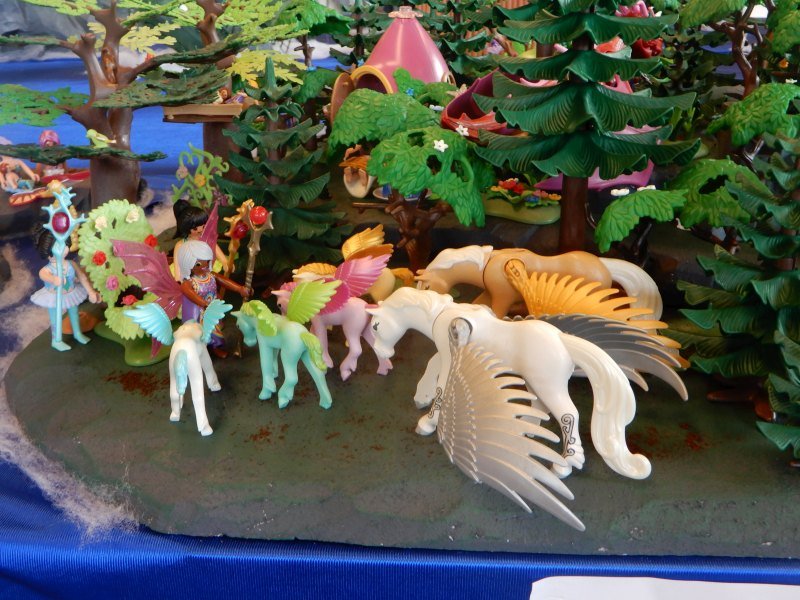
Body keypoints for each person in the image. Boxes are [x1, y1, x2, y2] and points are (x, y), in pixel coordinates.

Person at [30, 226, 101, 351]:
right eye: (58, 246)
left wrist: (91, 292)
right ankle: (56, 340)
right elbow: (43, 275)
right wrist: (54, 279)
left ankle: (77, 333)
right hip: (54, 296)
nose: (63, 248)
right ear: (47, 249)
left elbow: (82, 277)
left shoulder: (71, 264)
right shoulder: (47, 269)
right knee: (55, 318)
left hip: (71, 292)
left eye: (64, 244)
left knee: (74, 312)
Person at [175, 240, 250, 358]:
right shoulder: (189, 283)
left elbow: (224, 281)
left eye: (207, 261)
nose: (204, 265)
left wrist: (239, 289)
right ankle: (206, 348)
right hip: (200, 314)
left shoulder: (211, 275)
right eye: (198, 264)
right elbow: (190, 294)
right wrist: (204, 304)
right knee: (207, 332)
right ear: (188, 264)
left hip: (213, 310)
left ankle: (215, 347)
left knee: (218, 329)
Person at [172, 200, 226, 280]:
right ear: (186, 228)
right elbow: (178, 268)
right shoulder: (180, 245)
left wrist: (225, 263)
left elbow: (220, 255)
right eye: (195, 228)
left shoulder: (206, 239)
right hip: (190, 275)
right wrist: (179, 280)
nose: (200, 230)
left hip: (208, 269)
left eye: (204, 226)